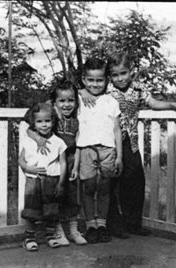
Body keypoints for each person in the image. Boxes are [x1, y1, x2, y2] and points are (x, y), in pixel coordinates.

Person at [80, 52, 176, 238]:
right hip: (109, 141)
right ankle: (114, 225)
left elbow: (153, 103)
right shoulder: (106, 88)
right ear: (110, 76)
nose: (120, 78)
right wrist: (82, 91)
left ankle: (133, 223)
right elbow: (88, 88)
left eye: (123, 73)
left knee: (134, 181)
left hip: (131, 142)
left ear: (131, 72)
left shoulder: (138, 89)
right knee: (110, 185)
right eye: (115, 75)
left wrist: (173, 104)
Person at [25, 80, 88, 246]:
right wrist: (39, 138)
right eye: (62, 100)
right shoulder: (51, 119)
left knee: (72, 197)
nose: (66, 104)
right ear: (54, 102)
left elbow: (79, 145)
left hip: (70, 161)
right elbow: (29, 128)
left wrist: (75, 166)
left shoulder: (77, 120)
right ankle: (58, 232)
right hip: (54, 166)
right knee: (55, 198)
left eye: (71, 100)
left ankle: (74, 231)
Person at [76, 57, 123, 244]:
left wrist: (119, 155)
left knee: (104, 188)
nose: (95, 84)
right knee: (88, 187)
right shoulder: (79, 99)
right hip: (86, 148)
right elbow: (56, 96)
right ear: (84, 79)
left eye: (99, 80)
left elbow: (117, 129)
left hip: (108, 150)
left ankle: (102, 225)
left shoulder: (111, 101)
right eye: (90, 80)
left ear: (106, 81)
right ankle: (90, 226)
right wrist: (80, 90)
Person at [18, 102, 67, 251]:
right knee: (32, 210)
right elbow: (21, 160)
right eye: (39, 121)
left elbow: (63, 163)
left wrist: (61, 183)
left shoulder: (58, 142)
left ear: (53, 122)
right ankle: (29, 238)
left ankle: (50, 236)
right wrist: (28, 168)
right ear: (34, 123)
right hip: (34, 181)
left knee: (51, 209)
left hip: (52, 179)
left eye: (47, 121)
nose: (44, 125)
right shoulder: (29, 141)